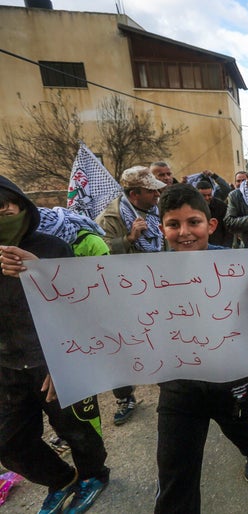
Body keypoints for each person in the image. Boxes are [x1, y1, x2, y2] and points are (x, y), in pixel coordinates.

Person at [153, 184, 248, 514]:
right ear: (163, 228)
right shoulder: (145, 273)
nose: (184, 232)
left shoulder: (238, 264)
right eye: (174, 224)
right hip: (178, 385)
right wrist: (39, 273)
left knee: (242, 424)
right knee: (174, 473)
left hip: (232, 377)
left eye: (194, 222)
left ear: (211, 225)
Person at [0, 176, 110, 514]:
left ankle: (93, 475)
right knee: (8, 441)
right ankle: (61, 479)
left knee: (77, 431)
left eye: (3, 208)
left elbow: (81, 303)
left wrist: (41, 272)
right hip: (8, 367)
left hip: (56, 361)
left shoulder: (52, 248)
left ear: (21, 207)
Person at [96, 165, 167, 425]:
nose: (157, 196)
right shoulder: (110, 218)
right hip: (124, 294)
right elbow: (99, 254)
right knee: (122, 347)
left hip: (156, 288)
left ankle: (169, 386)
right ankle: (125, 396)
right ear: (135, 194)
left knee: (161, 339)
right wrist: (128, 238)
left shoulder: (155, 210)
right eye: (151, 191)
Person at [195, 180, 234, 247]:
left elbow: (228, 229)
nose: (207, 198)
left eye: (209, 195)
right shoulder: (191, 207)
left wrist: (226, 247)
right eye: (203, 195)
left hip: (218, 246)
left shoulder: (221, 206)